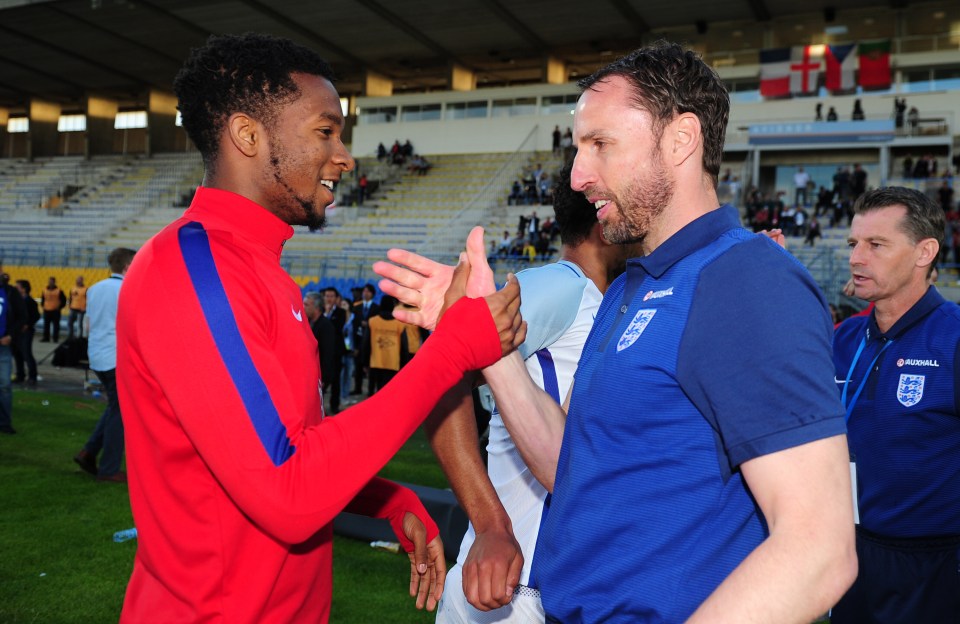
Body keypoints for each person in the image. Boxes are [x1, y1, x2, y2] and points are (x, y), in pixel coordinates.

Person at [379, 41, 856, 623]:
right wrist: (490, 344)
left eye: (600, 144)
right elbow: (575, 467)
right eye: (578, 148)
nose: (578, 176)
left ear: (681, 139)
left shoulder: (744, 279)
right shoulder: (631, 288)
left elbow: (818, 551)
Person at [114, 33, 524, 623]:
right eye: (325, 131)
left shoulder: (257, 267)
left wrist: (383, 497)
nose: (345, 155)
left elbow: (272, 449)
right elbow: (286, 492)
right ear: (248, 136)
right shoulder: (193, 272)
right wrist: (454, 348)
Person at [428, 166, 636, 623]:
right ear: (604, 220)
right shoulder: (563, 285)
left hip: (547, 590)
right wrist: (489, 524)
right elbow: (440, 377)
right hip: (509, 591)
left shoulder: (607, 304)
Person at [831, 187, 960, 623]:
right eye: (854, 244)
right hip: (849, 552)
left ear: (924, 252)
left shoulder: (954, 339)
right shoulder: (844, 338)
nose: (856, 258)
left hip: (934, 564)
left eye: (876, 245)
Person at [73, 248, 136, 483]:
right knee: (120, 413)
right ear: (128, 267)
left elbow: (88, 324)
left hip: (98, 354)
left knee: (114, 408)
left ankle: (88, 452)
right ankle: (109, 468)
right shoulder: (127, 288)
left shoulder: (96, 288)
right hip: (117, 356)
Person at [0, 271, 25, 434]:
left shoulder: (10, 292)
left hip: (3, 345)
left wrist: (10, 335)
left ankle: (4, 423)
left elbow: (23, 317)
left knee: (4, 385)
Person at [352, 283, 380, 395]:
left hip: (371, 339)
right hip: (358, 338)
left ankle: (371, 390)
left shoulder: (376, 308)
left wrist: (367, 324)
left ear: (372, 294)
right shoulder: (356, 307)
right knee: (357, 365)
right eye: (364, 291)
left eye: (368, 291)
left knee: (370, 365)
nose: (365, 293)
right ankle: (357, 388)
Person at [12, 279, 39, 386]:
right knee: (17, 353)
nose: (15, 288)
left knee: (27, 353)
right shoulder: (15, 301)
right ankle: (20, 375)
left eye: (17, 287)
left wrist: (28, 325)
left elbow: (36, 316)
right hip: (16, 332)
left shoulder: (30, 301)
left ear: (24, 289)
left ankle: (32, 376)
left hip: (26, 332)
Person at [40, 276, 65, 343]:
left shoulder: (59, 290)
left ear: (54, 282)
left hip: (55, 311)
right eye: (49, 281)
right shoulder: (45, 290)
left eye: (51, 281)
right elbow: (43, 298)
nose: (50, 283)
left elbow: (63, 300)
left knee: (56, 325)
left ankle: (55, 338)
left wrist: (59, 307)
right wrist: (43, 305)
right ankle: (46, 338)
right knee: (46, 325)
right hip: (46, 310)